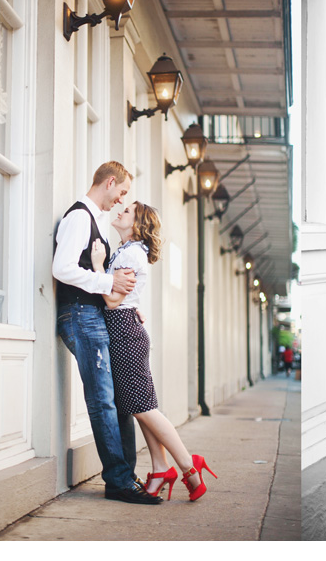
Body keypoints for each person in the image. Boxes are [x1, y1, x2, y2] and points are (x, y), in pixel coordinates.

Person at [91, 201, 217, 502]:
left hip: (124, 330)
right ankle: (161, 468)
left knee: (144, 407)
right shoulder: (126, 251)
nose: (120, 210)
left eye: (128, 211)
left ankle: (188, 465)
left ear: (137, 224)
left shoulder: (132, 253)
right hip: (124, 327)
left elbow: (111, 301)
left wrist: (97, 266)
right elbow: (123, 297)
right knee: (139, 406)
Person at [52, 161, 159, 505]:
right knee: (103, 401)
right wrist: (107, 280)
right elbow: (62, 268)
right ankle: (119, 481)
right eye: (123, 192)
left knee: (117, 402)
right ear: (110, 182)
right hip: (80, 315)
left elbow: (110, 284)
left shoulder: (94, 220)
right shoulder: (80, 217)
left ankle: (124, 476)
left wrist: (127, 302)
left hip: (95, 314)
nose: (121, 200)